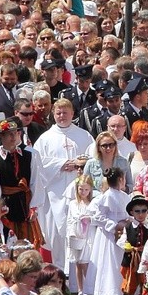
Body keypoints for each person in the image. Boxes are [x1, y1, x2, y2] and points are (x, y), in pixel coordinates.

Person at [33, 98, 94, 270]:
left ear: (72, 114)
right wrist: (61, 164)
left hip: (79, 190)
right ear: (53, 114)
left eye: (65, 112)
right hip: (55, 193)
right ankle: (60, 270)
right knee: (57, 233)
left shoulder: (84, 136)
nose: (62, 116)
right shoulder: (45, 139)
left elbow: (92, 160)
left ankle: (78, 273)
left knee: (79, 230)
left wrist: (79, 164)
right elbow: (38, 164)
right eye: (58, 113)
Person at [0, 116, 41, 246]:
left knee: (29, 244)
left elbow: (36, 182)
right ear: (2, 137)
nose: (13, 137)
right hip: (7, 207)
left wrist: (34, 207)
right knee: (9, 243)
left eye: (15, 133)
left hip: (26, 204)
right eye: (9, 134)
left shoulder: (30, 155)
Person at [86, 167, 130, 295]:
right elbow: (98, 215)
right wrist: (113, 225)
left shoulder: (124, 196)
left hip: (122, 234)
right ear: (120, 179)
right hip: (108, 235)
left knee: (119, 263)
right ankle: (106, 294)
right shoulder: (106, 196)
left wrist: (126, 222)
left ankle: (120, 293)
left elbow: (128, 214)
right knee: (107, 262)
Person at [116, 195, 148, 295]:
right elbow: (122, 240)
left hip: (146, 259)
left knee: (147, 281)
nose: (140, 214)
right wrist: (126, 246)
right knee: (130, 282)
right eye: (137, 211)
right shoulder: (128, 226)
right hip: (131, 259)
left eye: (143, 211)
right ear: (132, 212)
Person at [67, 175, 95, 295]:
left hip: (88, 235)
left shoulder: (92, 204)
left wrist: (89, 219)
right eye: (80, 189)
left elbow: (96, 219)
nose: (83, 192)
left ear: (90, 190)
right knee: (78, 263)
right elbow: (69, 220)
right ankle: (80, 289)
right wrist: (71, 233)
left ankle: (90, 288)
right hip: (77, 234)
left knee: (86, 262)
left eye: (86, 190)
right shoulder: (73, 204)